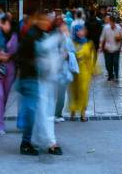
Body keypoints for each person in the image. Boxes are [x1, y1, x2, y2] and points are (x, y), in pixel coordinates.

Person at [31, 16, 63, 155]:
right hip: (40, 81)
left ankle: (40, 140)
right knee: (43, 111)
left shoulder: (46, 38)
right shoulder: (40, 39)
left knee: (45, 111)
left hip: (49, 81)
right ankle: (51, 142)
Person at [68, 26, 96, 121]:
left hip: (84, 72)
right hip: (74, 72)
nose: (81, 32)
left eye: (82, 30)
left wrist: (93, 70)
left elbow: (91, 58)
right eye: (79, 30)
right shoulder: (71, 43)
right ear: (75, 32)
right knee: (74, 92)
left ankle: (83, 113)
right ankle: (73, 113)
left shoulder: (88, 43)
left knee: (84, 92)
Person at [55, 18, 78, 122]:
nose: (63, 28)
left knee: (61, 94)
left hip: (63, 70)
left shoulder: (67, 39)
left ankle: (58, 113)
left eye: (63, 26)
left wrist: (68, 55)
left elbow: (73, 52)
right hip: (52, 70)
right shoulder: (50, 39)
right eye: (61, 26)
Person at [99, 15, 122, 81]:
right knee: (108, 63)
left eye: (113, 22)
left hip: (116, 48)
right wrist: (101, 46)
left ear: (114, 22)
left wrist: (119, 40)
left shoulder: (118, 28)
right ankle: (110, 75)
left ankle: (116, 75)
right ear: (109, 22)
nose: (111, 24)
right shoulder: (106, 28)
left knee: (115, 62)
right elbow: (102, 37)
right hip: (107, 48)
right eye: (111, 22)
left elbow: (121, 36)